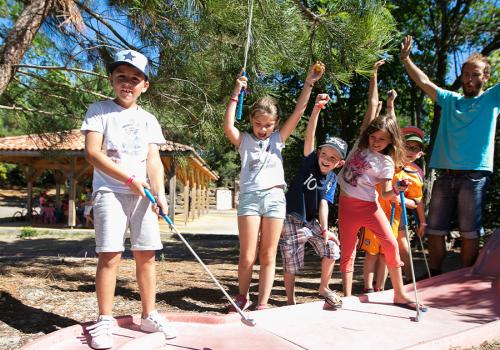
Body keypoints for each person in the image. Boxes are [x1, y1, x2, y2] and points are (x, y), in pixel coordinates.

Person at [81, 49, 176, 349]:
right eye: (121, 76)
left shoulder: (149, 119)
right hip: (111, 191)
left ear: (144, 85)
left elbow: (154, 161)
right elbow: (93, 153)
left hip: (143, 194)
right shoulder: (99, 110)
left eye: (135, 78)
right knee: (109, 254)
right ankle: (105, 320)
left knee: (146, 254)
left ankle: (149, 314)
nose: (127, 83)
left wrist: (160, 195)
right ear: (111, 79)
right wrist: (130, 180)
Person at [224, 62, 325, 311]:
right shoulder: (244, 140)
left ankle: (263, 302)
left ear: (276, 123)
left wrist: (309, 82)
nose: (263, 129)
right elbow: (228, 126)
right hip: (249, 198)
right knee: (248, 254)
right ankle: (242, 296)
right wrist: (236, 93)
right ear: (251, 121)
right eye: (258, 124)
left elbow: (299, 112)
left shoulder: (278, 139)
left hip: (275, 199)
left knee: (269, 254)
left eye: (268, 125)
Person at [400, 35, 499, 275]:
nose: (469, 78)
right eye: (466, 73)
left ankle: (466, 276)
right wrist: (405, 59)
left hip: (474, 176)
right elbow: (424, 82)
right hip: (445, 174)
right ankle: (434, 273)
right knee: (435, 228)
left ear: (485, 77)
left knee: (469, 231)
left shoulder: (492, 98)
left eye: (475, 74)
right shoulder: (451, 100)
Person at [337, 59, 425, 311]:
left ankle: (399, 293)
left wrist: (396, 190)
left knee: (390, 242)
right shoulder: (361, 144)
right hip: (346, 206)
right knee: (348, 249)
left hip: (369, 206)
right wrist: (373, 74)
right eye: (374, 137)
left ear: (390, 141)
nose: (376, 142)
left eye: (382, 140)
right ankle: (347, 295)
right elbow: (372, 104)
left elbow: (386, 193)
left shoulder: (386, 162)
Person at [279, 93, 347, 308]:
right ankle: (290, 300)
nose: (326, 159)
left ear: (339, 163)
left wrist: (326, 230)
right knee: (291, 264)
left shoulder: (332, 179)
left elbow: (324, 203)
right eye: (324, 154)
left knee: (332, 249)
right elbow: (310, 136)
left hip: (311, 222)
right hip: (290, 218)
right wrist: (316, 110)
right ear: (318, 154)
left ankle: (323, 287)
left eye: (332, 158)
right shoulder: (309, 163)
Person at [359, 113, 427, 291]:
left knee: (385, 254)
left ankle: (380, 288)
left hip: (394, 218)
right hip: (374, 212)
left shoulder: (414, 175)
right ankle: (368, 287)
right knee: (371, 253)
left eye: (415, 149)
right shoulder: (387, 162)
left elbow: (416, 202)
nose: (410, 151)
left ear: (420, 154)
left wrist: (402, 201)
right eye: (407, 146)